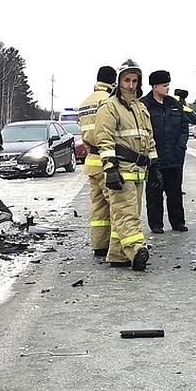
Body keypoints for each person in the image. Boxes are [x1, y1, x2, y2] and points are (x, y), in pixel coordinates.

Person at [93, 59, 157, 271]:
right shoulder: (110, 106)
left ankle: (118, 255)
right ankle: (137, 250)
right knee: (126, 215)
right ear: (119, 81)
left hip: (139, 172)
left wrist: (154, 165)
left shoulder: (140, 108)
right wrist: (110, 168)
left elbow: (148, 137)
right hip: (121, 171)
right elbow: (104, 138)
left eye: (135, 81)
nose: (131, 85)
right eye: (127, 80)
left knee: (126, 215)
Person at [143, 69, 196, 233]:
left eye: (168, 85)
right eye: (164, 85)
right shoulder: (144, 105)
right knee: (154, 193)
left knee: (175, 192)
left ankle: (178, 222)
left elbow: (184, 126)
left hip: (174, 157)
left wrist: (181, 147)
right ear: (154, 86)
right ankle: (156, 224)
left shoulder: (174, 104)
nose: (168, 88)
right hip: (155, 157)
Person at [78, 66, 118, 256]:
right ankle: (119, 247)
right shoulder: (109, 101)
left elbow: (84, 134)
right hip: (107, 159)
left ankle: (99, 245)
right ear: (113, 81)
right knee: (117, 205)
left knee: (98, 207)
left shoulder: (85, 102)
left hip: (91, 160)